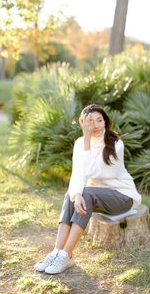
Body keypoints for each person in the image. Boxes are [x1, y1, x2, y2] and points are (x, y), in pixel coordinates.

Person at [34, 104, 142, 274]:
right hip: (98, 195)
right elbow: (78, 173)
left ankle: (67, 254)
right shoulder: (79, 143)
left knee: (87, 193)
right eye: (90, 122)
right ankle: (56, 251)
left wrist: (86, 141)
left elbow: (96, 171)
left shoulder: (116, 143)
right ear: (82, 123)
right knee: (72, 194)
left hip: (123, 196)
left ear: (105, 122)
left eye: (100, 120)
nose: (96, 125)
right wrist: (76, 195)